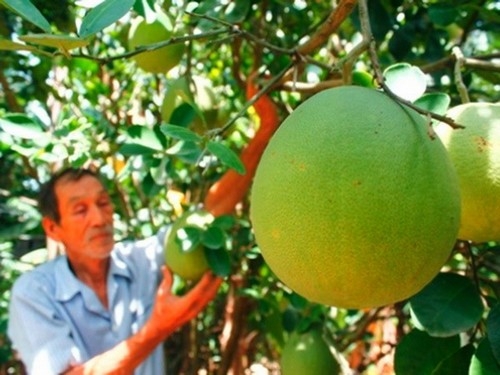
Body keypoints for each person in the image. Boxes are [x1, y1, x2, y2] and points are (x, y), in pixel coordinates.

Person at [8, 167, 222, 374]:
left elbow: (208, 214)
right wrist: (159, 328)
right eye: (80, 210)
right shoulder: (34, 293)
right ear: (53, 228)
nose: (100, 219)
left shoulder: (138, 261)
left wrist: (257, 141)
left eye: (103, 203)